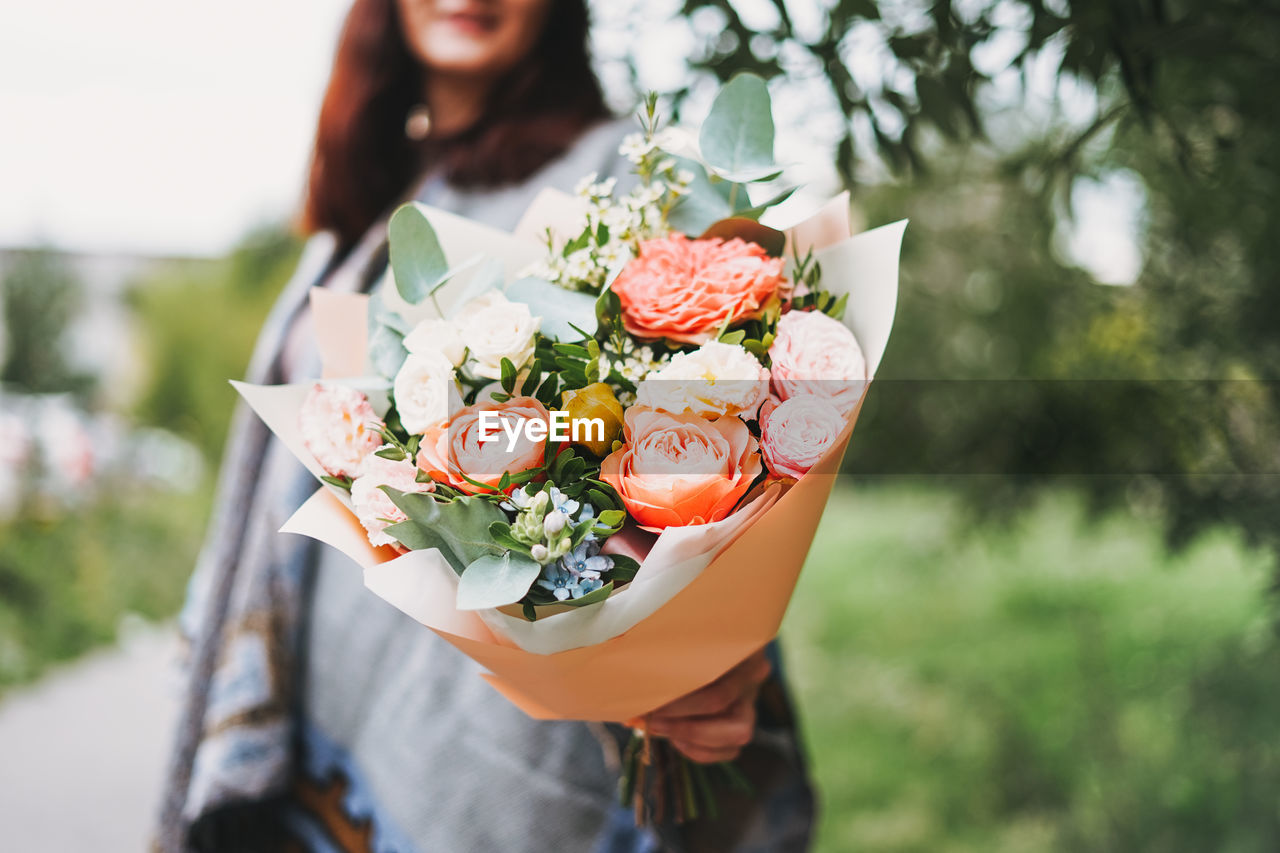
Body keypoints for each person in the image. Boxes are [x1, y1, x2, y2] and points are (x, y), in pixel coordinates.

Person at [157, 1, 816, 850]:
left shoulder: (615, 177)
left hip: (502, 745)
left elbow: (681, 448)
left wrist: (679, 652)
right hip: (316, 719)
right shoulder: (377, 197)